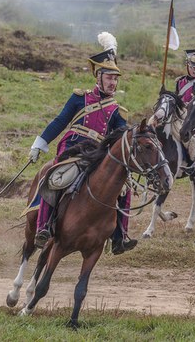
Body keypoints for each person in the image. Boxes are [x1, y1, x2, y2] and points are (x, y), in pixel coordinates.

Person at [28, 32, 135, 255]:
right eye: (109, 78)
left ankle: (120, 238)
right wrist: (40, 143)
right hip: (72, 149)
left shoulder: (118, 111)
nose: (113, 83)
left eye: (116, 79)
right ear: (98, 76)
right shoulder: (79, 98)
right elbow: (60, 121)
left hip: (97, 156)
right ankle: (43, 228)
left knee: (125, 189)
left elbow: (120, 139)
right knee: (54, 178)